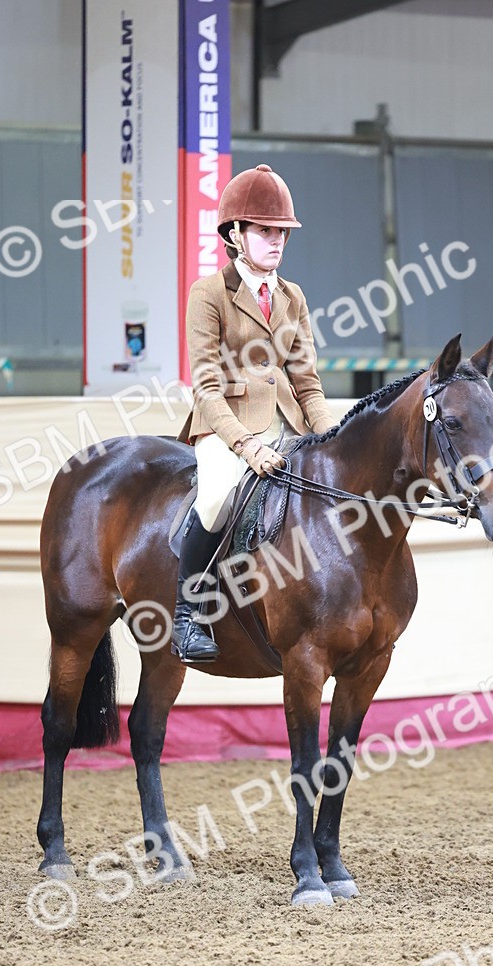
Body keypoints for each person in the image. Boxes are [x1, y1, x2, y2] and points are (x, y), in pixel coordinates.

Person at [173, 163, 336, 663]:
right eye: (264, 230)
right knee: (218, 497)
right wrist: (245, 444)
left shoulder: (293, 297)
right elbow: (205, 387)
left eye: (281, 232)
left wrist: (333, 435)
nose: (276, 241)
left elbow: (307, 382)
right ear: (235, 234)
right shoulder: (210, 293)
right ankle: (187, 614)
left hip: (292, 426)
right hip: (227, 428)